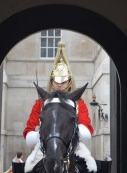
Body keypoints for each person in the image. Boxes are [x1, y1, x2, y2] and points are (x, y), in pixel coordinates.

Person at [23, 41, 97, 172]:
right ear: (51, 82)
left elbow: (86, 126)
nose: (59, 85)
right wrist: (39, 135)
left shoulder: (78, 103)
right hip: (44, 145)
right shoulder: (40, 103)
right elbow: (30, 128)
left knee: (92, 166)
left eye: (63, 81)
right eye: (56, 81)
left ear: (69, 83)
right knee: (28, 167)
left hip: (74, 145)